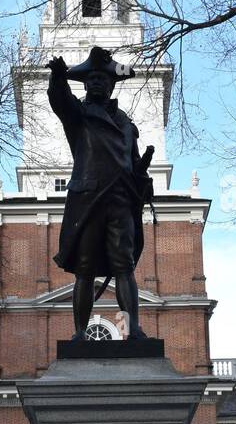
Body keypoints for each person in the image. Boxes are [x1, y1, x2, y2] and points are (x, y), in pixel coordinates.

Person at [46, 49, 155, 340]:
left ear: (111, 85)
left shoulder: (127, 125)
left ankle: (133, 331)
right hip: (89, 199)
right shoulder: (79, 115)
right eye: (91, 79)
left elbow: (133, 165)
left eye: (102, 79)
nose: (96, 83)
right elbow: (60, 102)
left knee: (125, 266)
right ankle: (80, 333)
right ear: (85, 85)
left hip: (120, 200)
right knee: (85, 268)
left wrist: (142, 174)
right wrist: (58, 78)